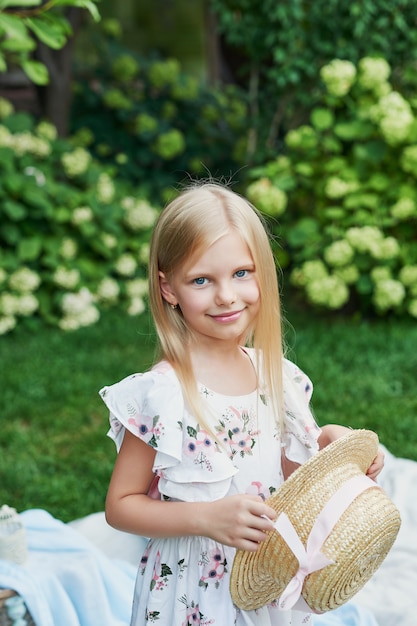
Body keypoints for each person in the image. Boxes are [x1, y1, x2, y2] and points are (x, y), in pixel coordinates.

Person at [100, 181, 384, 626]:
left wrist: (332, 447)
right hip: (193, 590)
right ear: (168, 288)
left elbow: (290, 482)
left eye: (241, 273)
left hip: (266, 579)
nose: (226, 296)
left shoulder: (277, 376)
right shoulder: (164, 394)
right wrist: (205, 517)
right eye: (201, 280)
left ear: (262, 274)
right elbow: (120, 505)